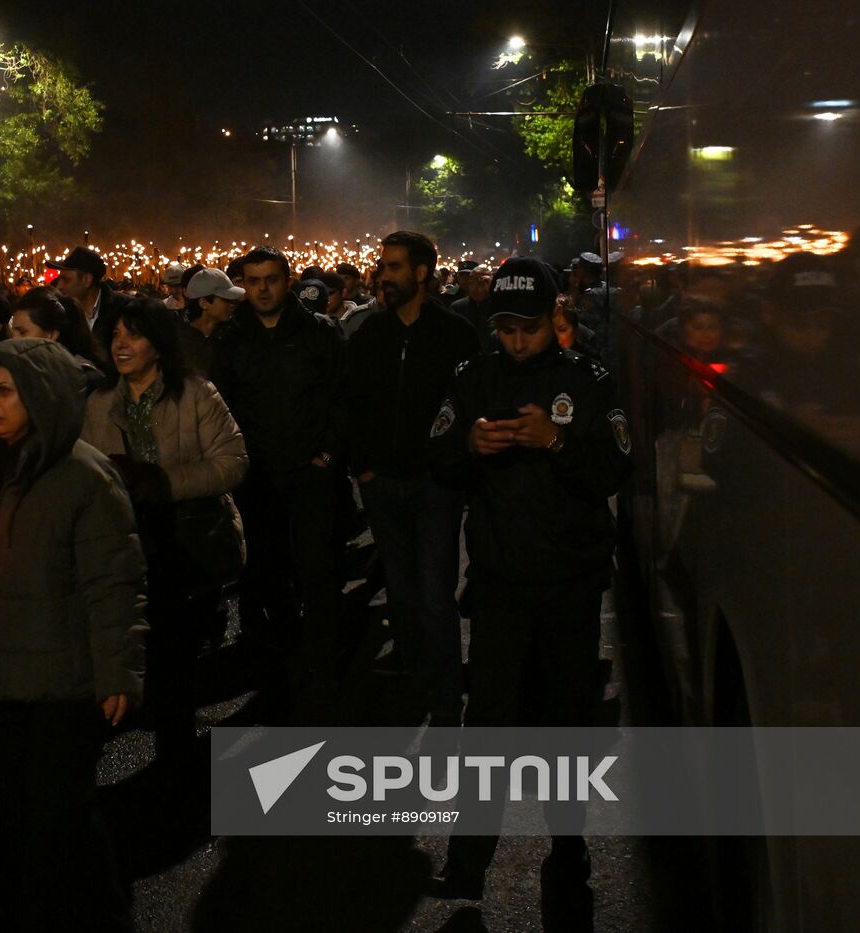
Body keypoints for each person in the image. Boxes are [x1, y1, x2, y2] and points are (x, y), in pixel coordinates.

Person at [426, 256, 631, 930]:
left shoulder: (589, 378)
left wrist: (557, 441)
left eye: (529, 328)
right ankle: (467, 859)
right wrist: (471, 445)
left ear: (553, 319)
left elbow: (614, 467)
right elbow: (436, 456)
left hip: (570, 586)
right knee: (486, 723)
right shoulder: (473, 376)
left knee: (565, 726)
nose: (517, 341)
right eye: (506, 329)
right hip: (500, 584)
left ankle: (569, 849)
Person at [0, 338, 147, 931]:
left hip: (61, 684)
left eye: (7, 391)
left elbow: (115, 583)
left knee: (57, 818)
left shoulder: (85, 477)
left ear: (43, 397)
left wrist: (118, 672)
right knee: (20, 817)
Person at [82, 299, 247, 779]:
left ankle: (177, 764)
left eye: (133, 335)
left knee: (178, 654)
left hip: (188, 545)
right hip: (129, 545)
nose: (121, 345)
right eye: (115, 335)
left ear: (158, 343)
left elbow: (233, 460)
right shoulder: (98, 404)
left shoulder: (195, 394)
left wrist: (162, 482)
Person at [345, 231, 479, 726]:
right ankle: (417, 682)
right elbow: (351, 403)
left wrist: (450, 468)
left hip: (434, 486)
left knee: (434, 596)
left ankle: (445, 698)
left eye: (395, 267)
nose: (383, 276)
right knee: (401, 593)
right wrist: (363, 467)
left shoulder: (455, 334)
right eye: (383, 267)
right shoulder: (370, 334)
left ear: (422, 274)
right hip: (382, 484)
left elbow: (470, 406)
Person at [211, 246, 346, 717]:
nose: (262, 289)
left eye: (271, 279)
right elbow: (221, 409)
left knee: (317, 572)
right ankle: (284, 661)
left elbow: (340, 399)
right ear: (243, 284)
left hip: (310, 474)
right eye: (253, 280)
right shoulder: (231, 340)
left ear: (287, 281)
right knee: (266, 573)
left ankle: (324, 669)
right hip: (257, 477)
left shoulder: (319, 333)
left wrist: (325, 456)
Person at [8, 285, 107, 391]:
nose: (14, 340)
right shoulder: (21, 375)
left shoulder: (85, 380)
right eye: (12, 333)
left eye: (22, 332)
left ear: (51, 335)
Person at [46, 245, 131, 350]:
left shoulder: (125, 309)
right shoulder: (62, 313)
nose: (59, 286)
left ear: (87, 279)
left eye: (66, 280)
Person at [178, 267, 245, 378]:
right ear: (204, 303)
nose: (232, 304)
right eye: (226, 299)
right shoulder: (180, 340)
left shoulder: (232, 335)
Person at [450, 263, 494, 352]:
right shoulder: (457, 307)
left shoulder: (498, 307)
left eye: (481, 283)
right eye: (472, 283)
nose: (475, 288)